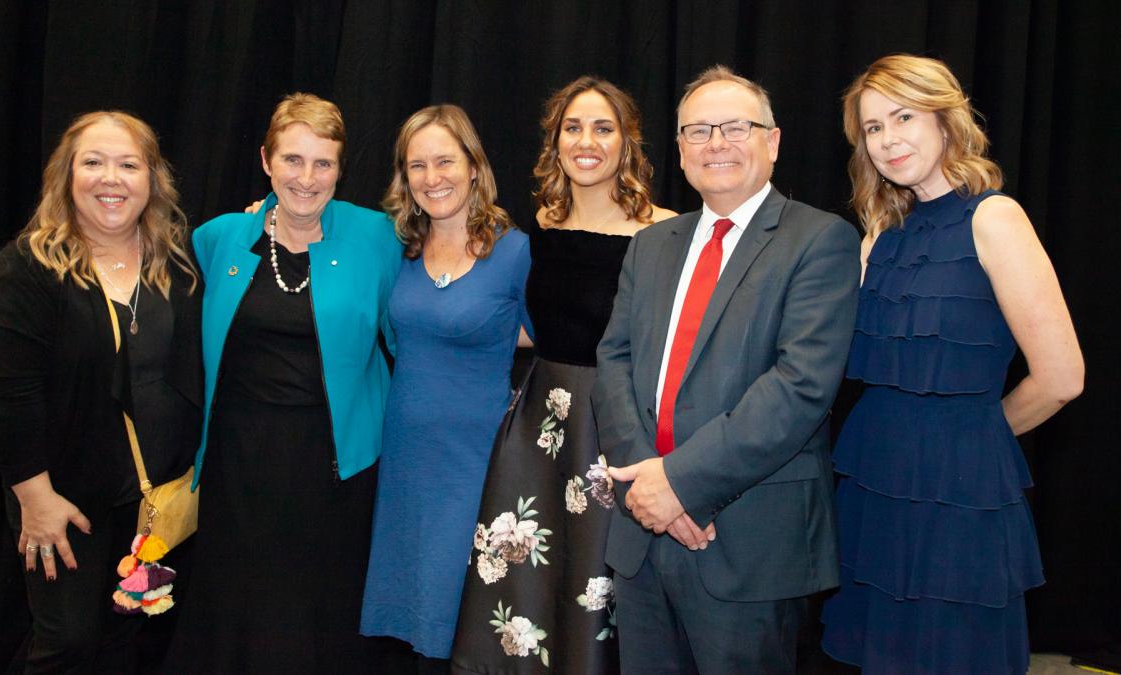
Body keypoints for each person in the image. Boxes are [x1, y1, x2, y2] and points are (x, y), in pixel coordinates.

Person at [591, 64, 861, 673]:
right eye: (698, 131)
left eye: (735, 127)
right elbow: (614, 361)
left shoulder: (821, 241)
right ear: (681, 151)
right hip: (641, 531)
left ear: (773, 140)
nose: (716, 143)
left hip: (749, 539)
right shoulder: (652, 243)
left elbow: (800, 389)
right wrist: (646, 487)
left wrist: (681, 485)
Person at [820, 54, 1084, 675]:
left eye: (903, 116)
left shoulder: (994, 218)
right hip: (872, 477)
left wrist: (976, 434)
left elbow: (1062, 378)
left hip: (959, 490)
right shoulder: (878, 235)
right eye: (873, 128)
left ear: (946, 121)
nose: (888, 139)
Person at [166, 93, 402, 672]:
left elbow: (420, 318)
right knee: (238, 605)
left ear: (341, 170)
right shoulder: (219, 237)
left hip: (336, 465)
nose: (307, 178)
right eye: (293, 160)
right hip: (237, 463)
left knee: (319, 612)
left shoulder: (379, 237)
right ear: (266, 161)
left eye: (323, 163)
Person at [450, 76, 674, 674]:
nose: (587, 141)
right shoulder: (541, 225)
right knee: (527, 582)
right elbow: (518, 321)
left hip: (615, 431)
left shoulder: (665, 232)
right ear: (555, 142)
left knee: (601, 583)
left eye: (604, 128)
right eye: (573, 127)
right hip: (538, 428)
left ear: (628, 142)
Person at [0, 111, 202, 672]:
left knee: (128, 645)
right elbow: (12, 396)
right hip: (63, 501)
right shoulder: (30, 267)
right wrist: (35, 501)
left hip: (152, 503)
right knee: (69, 644)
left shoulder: (177, 266)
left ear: (151, 180)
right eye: (94, 162)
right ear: (67, 175)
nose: (112, 178)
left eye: (128, 164)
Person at [360, 104, 531, 670]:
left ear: (474, 166)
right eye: (417, 166)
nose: (433, 178)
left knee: (461, 626)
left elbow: (557, 337)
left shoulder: (515, 252)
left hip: (475, 468)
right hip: (406, 464)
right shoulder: (395, 249)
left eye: (445, 161)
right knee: (414, 625)